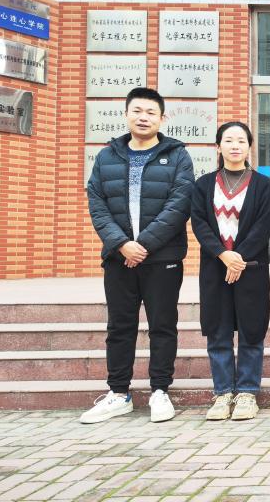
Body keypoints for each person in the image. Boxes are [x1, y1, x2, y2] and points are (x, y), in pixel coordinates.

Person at [83, 87, 194, 424]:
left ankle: (160, 390)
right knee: (120, 326)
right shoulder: (107, 156)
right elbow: (97, 204)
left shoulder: (178, 156)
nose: (143, 117)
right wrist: (121, 244)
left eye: (150, 112)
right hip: (119, 258)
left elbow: (180, 204)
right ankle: (119, 393)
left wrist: (141, 244)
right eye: (137, 111)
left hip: (162, 257)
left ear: (162, 118)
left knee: (163, 325)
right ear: (127, 114)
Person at [191, 122, 270, 421]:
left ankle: (248, 393)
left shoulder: (261, 184)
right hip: (215, 268)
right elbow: (199, 222)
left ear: (249, 146)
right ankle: (223, 392)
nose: (235, 145)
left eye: (241, 140)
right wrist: (223, 255)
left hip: (250, 269)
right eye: (229, 140)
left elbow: (263, 225)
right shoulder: (204, 184)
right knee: (218, 331)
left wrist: (238, 259)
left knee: (251, 330)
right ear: (218, 146)